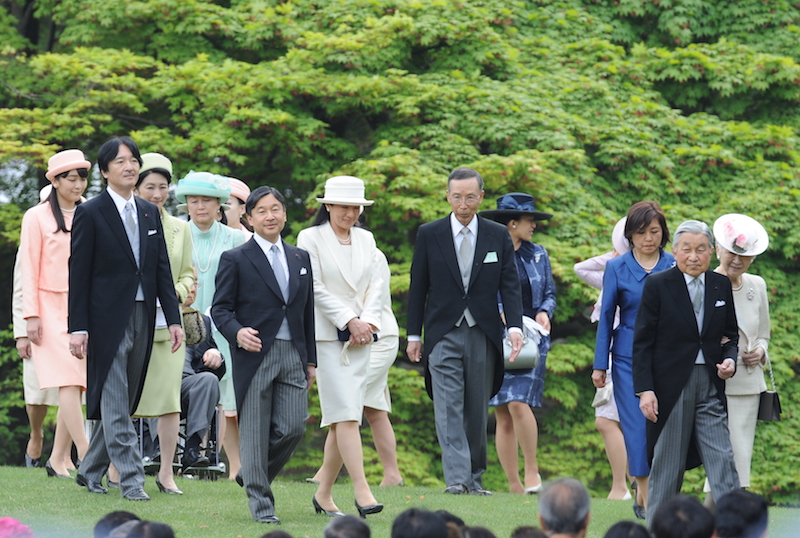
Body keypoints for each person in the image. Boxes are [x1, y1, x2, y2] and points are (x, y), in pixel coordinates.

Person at [69, 136, 182, 501]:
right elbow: (79, 274)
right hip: (105, 320)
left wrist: (175, 318)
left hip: (145, 315)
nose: (129, 166)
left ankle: (89, 471)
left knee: (124, 400)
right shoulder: (91, 211)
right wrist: (78, 327)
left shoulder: (149, 211)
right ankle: (132, 481)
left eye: (133, 160)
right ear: (104, 171)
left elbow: (161, 268)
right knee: (117, 402)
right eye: (120, 161)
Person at [406, 167, 524, 496]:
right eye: (457, 196)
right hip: (443, 332)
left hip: (482, 332)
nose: (463, 204)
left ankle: (474, 477)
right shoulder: (429, 234)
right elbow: (418, 288)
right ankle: (457, 479)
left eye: (470, 197)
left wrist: (514, 326)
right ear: (447, 196)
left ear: (481, 197)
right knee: (447, 406)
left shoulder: (496, 234)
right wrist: (414, 335)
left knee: (476, 407)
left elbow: (509, 284)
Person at [213, 186, 317, 524]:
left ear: (285, 214)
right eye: (262, 211)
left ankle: (252, 473)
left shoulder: (300, 257)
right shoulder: (236, 258)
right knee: (254, 432)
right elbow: (221, 309)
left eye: (276, 209)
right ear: (249, 218)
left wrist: (310, 360)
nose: (270, 216)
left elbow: (307, 313)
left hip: (293, 355)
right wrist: (238, 333)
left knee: (293, 427)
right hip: (255, 353)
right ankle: (262, 506)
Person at [633, 220, 740, 527]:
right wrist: (646, 390)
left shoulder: (721, 285)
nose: (694, 256)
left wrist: (729, 361)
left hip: (710, 384)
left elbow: (730, 336)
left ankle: (738, 529)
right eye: (687, 249)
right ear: (674, 252)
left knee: (723, 460)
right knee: (667, 466)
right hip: (670, 388)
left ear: (712, 252)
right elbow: (641, 344)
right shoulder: (658, 285)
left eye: (701, 249)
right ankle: (658, 530)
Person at [296, 176, 384, 517]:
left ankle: (324, 493)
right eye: (344, 206)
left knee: (343, 416)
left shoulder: (367, 238)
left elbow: (377, 284)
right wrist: (349, 319)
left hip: (361, 339)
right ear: (328, 205)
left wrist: (368, 323)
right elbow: (314, 288)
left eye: (355, 207)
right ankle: (362, 490)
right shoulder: (310, 237)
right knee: (347, 415)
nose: (350, 213)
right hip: (327, 338)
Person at [591, 201, 674, 517]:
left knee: (664, 425)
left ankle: (652, 488)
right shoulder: (616, 267)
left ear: (663, 233)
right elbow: (606, 317)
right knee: (636, 425)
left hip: (668, 358)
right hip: (625, 359)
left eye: (654, 231)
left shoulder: (674, 263)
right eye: (641, 232)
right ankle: (646, 490)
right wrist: (601, 365)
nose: (648, 238)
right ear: (630, 235)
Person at [21, 149, 91, 479]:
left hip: (82, 306)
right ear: (56, 180)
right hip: (47, 307)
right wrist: (29, 316)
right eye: (71, 178)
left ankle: (58, 457)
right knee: (68, 379)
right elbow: (27, 269)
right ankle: (91, 456)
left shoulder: (89, 214)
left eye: (82, 178)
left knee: (77, 384)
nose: (78, 184)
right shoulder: (35, 217)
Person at [308, 247, 403, 487]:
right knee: (374, 409)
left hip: (376, 337)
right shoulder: (327, 252)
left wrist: (357, 326)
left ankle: (323, 476)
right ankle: (392, 475)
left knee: (345, 406)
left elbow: (375, 297)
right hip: (349, 337)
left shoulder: (372, 253)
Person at [480, 192, 555, 495]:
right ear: (512, 224)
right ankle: (514, 485)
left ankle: (532, 471)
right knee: (501, 410)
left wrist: (544, 312)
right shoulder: (487, 254)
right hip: (495, 338)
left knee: (518, 403)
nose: (534, 226)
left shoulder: (539, 254)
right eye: (529, 221)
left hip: (531, 341)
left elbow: (549, 292)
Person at [129, 153, 194, 494]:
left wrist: (174, 293)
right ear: (136, 187)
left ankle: (167, 471)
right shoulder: (124, 223)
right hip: (131, 323)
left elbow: (188, 274)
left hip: (169, 326)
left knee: (170, 401)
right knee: (127, 399)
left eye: (163, 187)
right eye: (149, 187)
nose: (156, 194)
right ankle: (117, 466)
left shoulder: (180, 228)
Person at [175, 171, 245, 478]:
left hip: (227, 326)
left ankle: (236, 466)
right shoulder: (177, 234)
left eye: (207, 200)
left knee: (230, 399)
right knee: (196, 387)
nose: (200, 206)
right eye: (194, 200)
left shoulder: (237, 238)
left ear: (220, 204)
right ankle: (193, 457)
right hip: (186, 326)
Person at [703, 214, 770, 504]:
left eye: (746, 256)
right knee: (724, 455)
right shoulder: (704, 283)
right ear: (718, 249)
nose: (738, 260)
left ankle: (718, 520)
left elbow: (764, 334)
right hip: (713, 382)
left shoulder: (757, 286)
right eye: (732, 252)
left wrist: (761, 352)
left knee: (740, 456)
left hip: (748, 386)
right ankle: (720, 520)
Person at [574, 217, 632, 500]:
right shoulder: (616, 272)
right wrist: (616, 254)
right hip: (611, 358)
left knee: (608, 421)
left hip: (623, 357)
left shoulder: (636, 277)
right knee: (618, 421)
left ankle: (621, 487)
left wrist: (618, 256)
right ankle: (630, 485)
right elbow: (580, 268)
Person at [13, 230, 60, 468]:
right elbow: (21, 290)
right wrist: (21, 334)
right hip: (38, 323)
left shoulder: (84, 226)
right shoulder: (33, 238)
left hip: (72, 320)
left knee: (73, 389)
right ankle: (36, 433)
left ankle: (62, 454)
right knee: (35, 389)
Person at [181, 283, 225, 468]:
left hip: (188, 386)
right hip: (157, 383)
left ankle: (192, 448)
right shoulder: (152, 316)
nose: (192, 289)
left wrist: (216, 355)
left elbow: (218, 371)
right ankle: (155, 448)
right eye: (188, 282)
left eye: (195, 283)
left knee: (209, 380)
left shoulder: (200, 321)